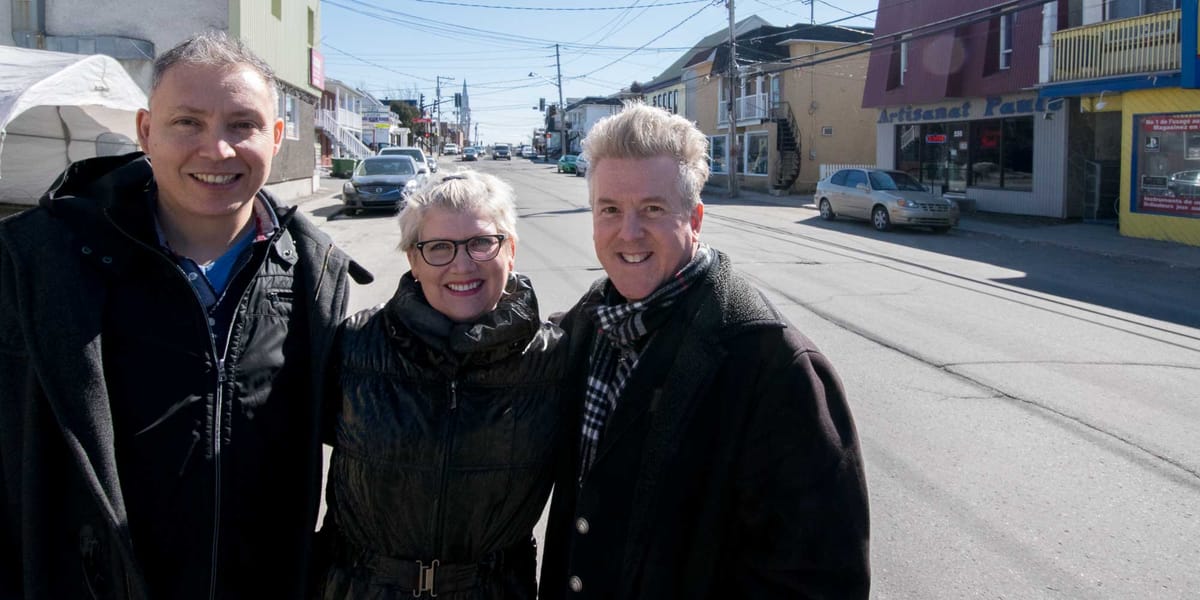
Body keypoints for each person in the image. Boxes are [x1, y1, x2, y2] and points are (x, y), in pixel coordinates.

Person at [0, 32, 368, 599]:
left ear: (275, 137)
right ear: (146, 131)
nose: (216, 150)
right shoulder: (38, 263)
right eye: (188, 123)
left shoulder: (315, 274)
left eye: (241, 125)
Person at [539, 102, 871, 599]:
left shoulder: (772, 363)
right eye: (610, 210)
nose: (628, 232)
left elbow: (819, 580)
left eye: (653, 209)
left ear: (694, 219)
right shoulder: (590, 323)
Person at [318, 170, 567, 599]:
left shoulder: (553, 358)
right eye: (438, 247)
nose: (462, 265)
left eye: (481, 242)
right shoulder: (355, 345)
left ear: (510, 250)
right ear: (413, 261)